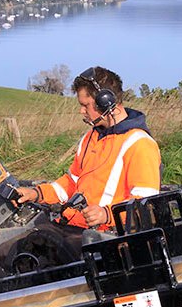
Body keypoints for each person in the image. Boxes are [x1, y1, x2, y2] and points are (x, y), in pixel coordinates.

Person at [15, 66, 162, 232]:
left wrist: (106, 214)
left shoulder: (139, 144)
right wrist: (36, 193)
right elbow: (71, 183)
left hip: (105, 237)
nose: (81, 111)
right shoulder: (90, 137)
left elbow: (146, 204)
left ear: (106, 102)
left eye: (86, 105)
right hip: (71, 226)